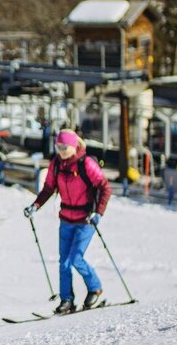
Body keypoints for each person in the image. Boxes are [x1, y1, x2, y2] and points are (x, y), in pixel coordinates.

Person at [24, 130, 112, 314]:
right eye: (58, 147)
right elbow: (48, 188)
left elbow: (104, 187)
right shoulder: (56, 164)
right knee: (63, 262)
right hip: (66, 219)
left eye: (65, 147)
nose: (61, 150)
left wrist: (99, 213)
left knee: (76, 259)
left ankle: (95, 288)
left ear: (74, 146)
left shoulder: (85, 163)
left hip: (86, 219)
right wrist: (35, 205)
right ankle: (66, 300)